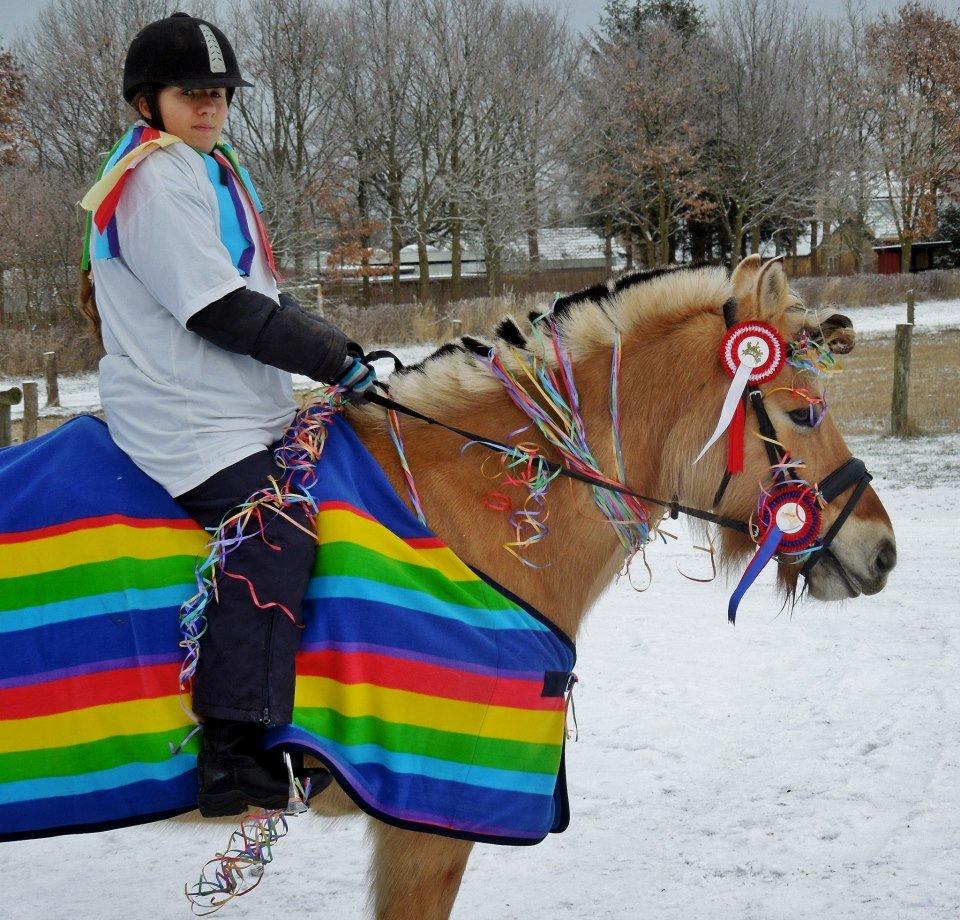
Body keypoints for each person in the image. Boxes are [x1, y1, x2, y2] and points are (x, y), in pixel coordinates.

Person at [79, 12, 375, 817]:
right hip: (187, 417)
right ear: (151, 99)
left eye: (219, 93)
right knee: (274, 531)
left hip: (243, 407)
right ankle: (232, 749)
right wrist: (329, 357)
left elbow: (258, 290)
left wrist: (334, 345)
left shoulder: (215, 169)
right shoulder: (152, 178)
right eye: (191, 93)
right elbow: (217, 308)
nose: (209, 106)